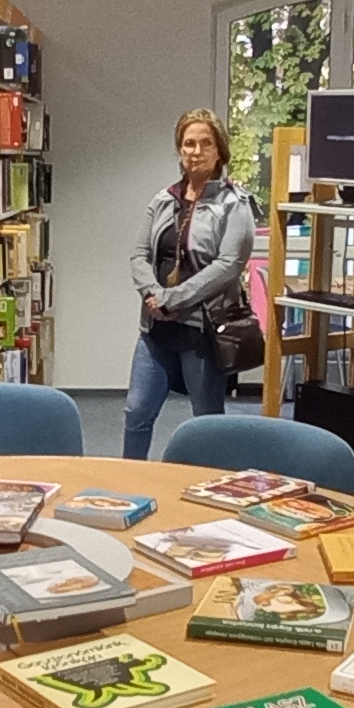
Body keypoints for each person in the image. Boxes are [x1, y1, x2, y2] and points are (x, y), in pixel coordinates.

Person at [122, 109, 257, 459]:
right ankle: (128, 479)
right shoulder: (163, 199)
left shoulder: (234, 204)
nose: (196, 151)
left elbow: (228, 265)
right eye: (189, 144)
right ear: (180, 150)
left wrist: (175, 298)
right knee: (136, 411)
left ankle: (210, 482)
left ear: (220, 151)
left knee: (207, 422)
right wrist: (153, 294)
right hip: (156, 326)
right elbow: (139, 254)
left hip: (202, 330)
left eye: (205, 143)